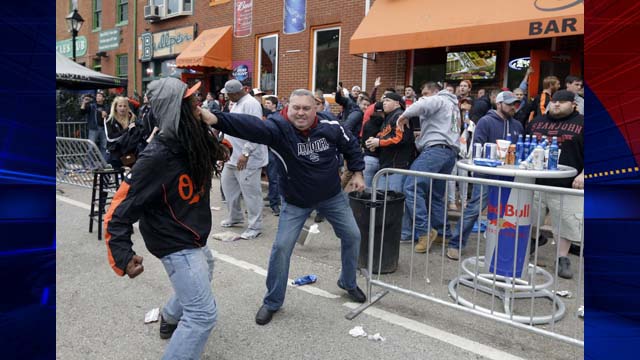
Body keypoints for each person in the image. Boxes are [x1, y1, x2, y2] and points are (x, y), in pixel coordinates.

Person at [199, 89, 367, 325]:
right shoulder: (279, 127)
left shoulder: (331, 125)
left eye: (306, 108)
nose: (300, 113)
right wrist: (216, 118)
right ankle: (272, 302)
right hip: (296, 201)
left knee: (353, 235)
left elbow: (351, 146)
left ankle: (348, 282)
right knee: (281, 249)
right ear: (288, 108)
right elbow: (251, 126)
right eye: (295, 108)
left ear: (316, 108)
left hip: (331, 196)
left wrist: (358, 172)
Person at [103, 77, 229, 359]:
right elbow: (117, 213)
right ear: (175, 109)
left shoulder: (192, 138)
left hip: (193, 233)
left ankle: (170, 316)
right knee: (202, 316)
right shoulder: (156, 157)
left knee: (207, 266)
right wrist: (122, 255)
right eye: (190, 102)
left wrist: (223, 144)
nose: (197, 106)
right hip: (175, 242)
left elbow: (221, 147)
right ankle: (176, 319)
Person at [446, 91, 524, 260]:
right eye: (510, 103)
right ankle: (455, 244)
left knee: (506, 211)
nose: (513, 107)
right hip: (487, 175)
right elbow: (477, 147)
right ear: (499, 103)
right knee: (474, 209)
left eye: (515, 104)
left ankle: (501, 246)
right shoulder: (486, 121)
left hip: (509, 174)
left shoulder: (517, 125)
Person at [396, 82, 460, 252]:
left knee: (411, 187)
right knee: (435, 195)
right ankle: (443, 234)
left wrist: (404, 115)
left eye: (425, 93)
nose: (423, 96)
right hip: (449, 152)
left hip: (436, 150)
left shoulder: (438, 99)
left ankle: (425, 231)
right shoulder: (453, 106)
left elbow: (423, 104)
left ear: (436, 92)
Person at [527, 90, 584, 278]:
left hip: (568, 184)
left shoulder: (584, 123)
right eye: (554, 101)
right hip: (535, 181)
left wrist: (584, 174)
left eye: (562, 102)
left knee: (565, 224)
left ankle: (562, 258)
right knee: (531, 218)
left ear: (573, 104)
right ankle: (531, 244)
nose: (557, 105)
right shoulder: (536, 122)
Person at [219, 80, 268, 240]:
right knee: (229, 189)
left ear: (235, 93)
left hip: (248, 159)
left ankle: (255, 226)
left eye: (228, 95)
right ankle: (236, 217)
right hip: (232, 157)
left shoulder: (251, 104)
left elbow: (256, 131)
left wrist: (246, 152)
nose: (226, 98)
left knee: (251, 194)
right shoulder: (236, 103)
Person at [104, 96, 141, 168]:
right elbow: (110, 138)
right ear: (115, 107)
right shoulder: (109, 119)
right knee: (108, 173)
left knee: (135, 172)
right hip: (114, 153)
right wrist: (127, 130)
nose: (122, 108)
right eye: (120, 106)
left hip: (129, 153)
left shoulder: (132, 118)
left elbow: (135, 135)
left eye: (124, 106)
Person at [80, 90, 108, 160]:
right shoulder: (92, 106)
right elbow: (82, 112)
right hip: (93, 128)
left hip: (104, 129)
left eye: (100, 96)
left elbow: (110, 116)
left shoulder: (107, 107)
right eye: (97, 96)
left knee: (104, 146)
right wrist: (84, 102)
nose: (97, 97)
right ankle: (90, 164)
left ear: (103, 98)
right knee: (91, 147)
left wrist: (106, 114)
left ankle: (103, 163)